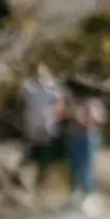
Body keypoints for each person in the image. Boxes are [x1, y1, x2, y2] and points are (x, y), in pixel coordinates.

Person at [63, 80, 107, 216]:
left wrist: (87, 119)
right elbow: (66, 115)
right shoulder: (74, 103)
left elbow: (99, 119)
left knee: (86, 167)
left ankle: (89, 195)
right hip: (75, 136)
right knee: (75, 167)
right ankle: (76, 195)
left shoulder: (94, 103)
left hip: (88, 137)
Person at [19, 63, 65, 191]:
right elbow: (21, 102)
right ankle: (25, 181)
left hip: (48, 127)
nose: (39, 74)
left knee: (44, 157)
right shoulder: (28, 86)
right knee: (28, 155)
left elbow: (60, 103)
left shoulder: (54, 86)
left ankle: (40, 183)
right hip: (32, 126)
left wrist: (54, 114)